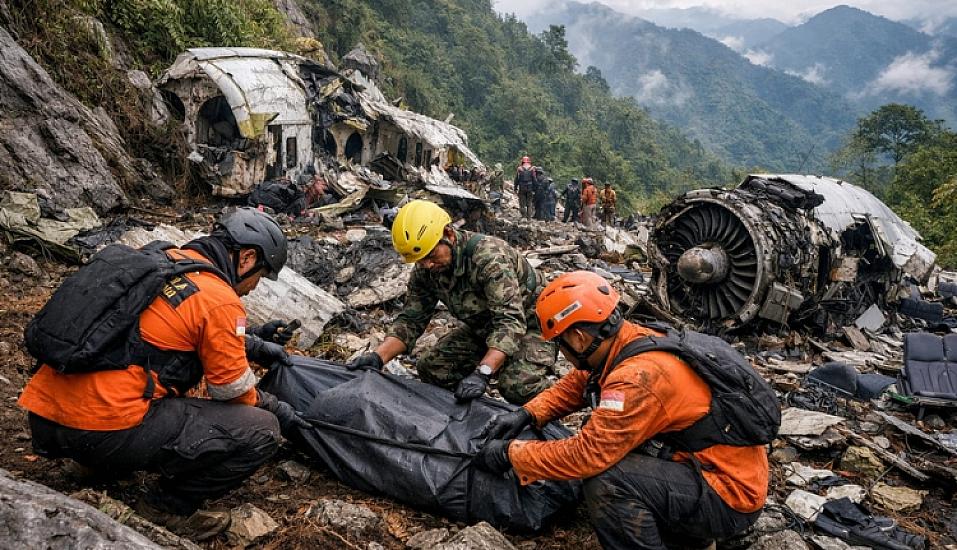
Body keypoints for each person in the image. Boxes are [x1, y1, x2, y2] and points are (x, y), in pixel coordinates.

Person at [18, 208, 306, 537]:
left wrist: (253, 340)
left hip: (44, 417)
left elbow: (161, 331)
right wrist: (276, 407)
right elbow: (231, 390)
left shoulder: (163, 259)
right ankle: (165, 508)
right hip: (97, 433)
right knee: (262, 430)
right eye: (261, 275)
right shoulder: (221, 300)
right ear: (247, 258)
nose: (255, 287)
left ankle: (89, 466)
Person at [474, 271, 768, 549]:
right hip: (714, 467)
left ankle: (695, 535)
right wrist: (529, 413)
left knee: (607, 481)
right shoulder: (632, 338)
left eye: (560, 343)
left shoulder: (636, 378)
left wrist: (511, 454)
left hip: (729, 495)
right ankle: (689, 535)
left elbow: (586, 455)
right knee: (603, 429)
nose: (560, 351)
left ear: (578, 337)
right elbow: (581, 381)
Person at [348, 199, 557, 405]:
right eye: (420, 260)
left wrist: (482, 373)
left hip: (534, 327)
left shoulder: (489, 258)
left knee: (516, 387)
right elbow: (411, 321)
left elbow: (510, 322)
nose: (427, 265)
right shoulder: (426, 271)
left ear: (448, 234)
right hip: (484, 328)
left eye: (431, 255)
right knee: (433, 369)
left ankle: (560, 400)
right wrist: (378, 357)